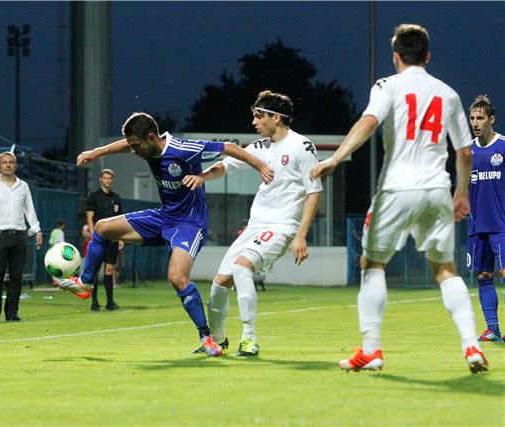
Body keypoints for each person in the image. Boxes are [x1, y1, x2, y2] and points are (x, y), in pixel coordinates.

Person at [311, 24, 488, 373]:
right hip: (436, 189)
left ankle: (373, 350)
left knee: (372, 265)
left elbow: (369, 121)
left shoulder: (387, 86)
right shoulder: (448, 93)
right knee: (445, 270)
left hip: (395, 189)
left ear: (395, 57)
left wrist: (335, 157)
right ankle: (471, 345)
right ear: (427, 56)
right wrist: (461, 193)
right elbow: (465, 153)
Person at [56, 112, 273, 357]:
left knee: (177, 277)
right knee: (102, 228)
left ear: (151, 137)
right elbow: (126, 144)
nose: (134, 151)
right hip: (165, 217)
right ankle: (85, 284)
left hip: (190, 223)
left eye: (137, 146)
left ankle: (207, 338)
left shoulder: (183, 149)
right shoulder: (146, 146)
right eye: (132, 146)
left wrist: (261, 165)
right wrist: (95, 153)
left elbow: (228, 147)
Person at [185, 90, 322, 356]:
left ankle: (249, 339)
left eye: (259, 116)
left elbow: (314, 192)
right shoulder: (259, 148)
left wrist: (301, 234)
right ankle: (218, 339)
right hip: (256, 227)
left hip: (282, 226)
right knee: (219, 282)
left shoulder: (301, 146)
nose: (254, 122)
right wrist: (201, 177)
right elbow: (225, 166)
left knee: (241, 268)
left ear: (276, 117)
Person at [0, 151, 43, 323]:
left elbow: (30, 210)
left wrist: (37, 231)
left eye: (11, 162)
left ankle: (12, 313)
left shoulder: (24, 186)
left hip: (19, 237)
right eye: (4, 162)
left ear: (15, 165)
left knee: (16, 277)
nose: (8, 165)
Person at [466, 95, 505, 342]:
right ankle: (493, 329)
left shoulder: (503, 146)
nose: (475, 122)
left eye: (480, 118)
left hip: (502, 226)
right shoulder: (467, 152)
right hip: (477, 226)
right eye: (472, 118)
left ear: (492, 119)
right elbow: (462, 188)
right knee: (483, 276)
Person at [85, 169, 123, 311]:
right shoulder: (94, 197)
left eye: (109, 178)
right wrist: (93, 234)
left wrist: (120, 237)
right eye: (105, 178)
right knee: (95, 271)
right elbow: (89, 217)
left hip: (112, 239)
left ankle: (110, 303)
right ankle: (94, 302)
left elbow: (120, 219)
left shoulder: (116, 197)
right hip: (99, 239)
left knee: (109, 271)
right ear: (100, 179)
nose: (107, 180)